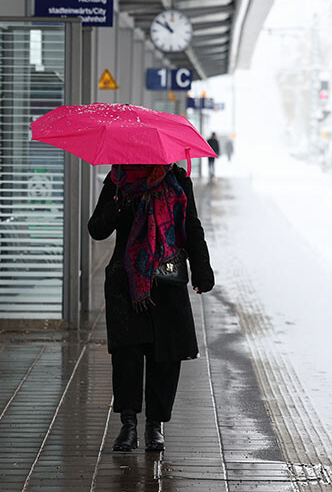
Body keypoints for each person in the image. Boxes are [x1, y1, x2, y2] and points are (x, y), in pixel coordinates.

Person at [88, 163, 214, 453]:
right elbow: (96, 229)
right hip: (127, 284)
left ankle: (155, 425)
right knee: (127, 355)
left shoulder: (178, 180)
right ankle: (128, 424)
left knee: (166, 357)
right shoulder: (118, 179)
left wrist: (202, 269)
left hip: (167, 281)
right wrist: (118, 205)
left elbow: (191, 226)